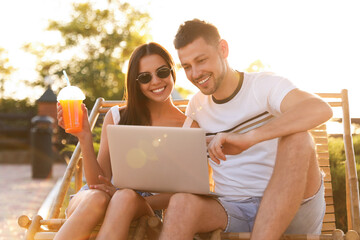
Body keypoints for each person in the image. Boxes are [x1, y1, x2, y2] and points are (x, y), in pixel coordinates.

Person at [159, 19, 333, 240]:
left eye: (201, 60)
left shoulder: (264, 85)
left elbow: (320, 109)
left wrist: (249, 138)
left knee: (299, 138)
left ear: (223, 49)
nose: (195, 73)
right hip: (234, 208)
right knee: (181, 203)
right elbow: (194, 175)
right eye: (187, 66)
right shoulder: (197, 105)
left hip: (294, 206)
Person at [55, 42, 198, 240]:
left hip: (144, 206)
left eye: (162, 72)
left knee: (125, 196)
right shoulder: (117, 117)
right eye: (145, 77)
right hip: (95, 198)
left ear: (172, 71)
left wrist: (118, 194)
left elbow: (185, 193)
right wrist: (85, 138)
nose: (156, 81)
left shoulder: (188, 127)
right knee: (98, 197)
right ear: (136, 82)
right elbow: (98, 182)